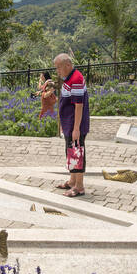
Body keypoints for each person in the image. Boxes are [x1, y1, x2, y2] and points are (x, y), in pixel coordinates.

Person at [53, 53, 88, 196]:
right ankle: (72, 181)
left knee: (77, 153)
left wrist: (76, 129)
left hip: (75, 124)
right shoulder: (69, 79)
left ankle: (79, 186)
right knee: (71, 152)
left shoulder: (76, 79)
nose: (57, 71)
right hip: (69, 123)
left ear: (68, 65)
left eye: (59, 67)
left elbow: (78, 106)